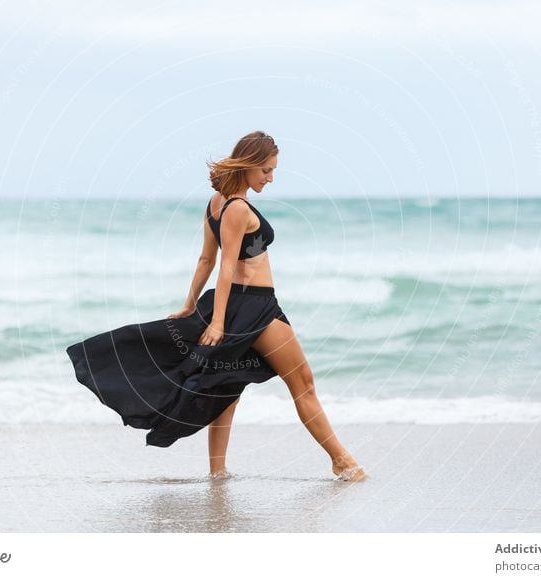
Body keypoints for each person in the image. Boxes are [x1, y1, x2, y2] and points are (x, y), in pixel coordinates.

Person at [66, 130, 365, 482]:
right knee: (304, 383)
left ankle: (218, 472)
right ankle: (341, 461)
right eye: (266, 170)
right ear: (250, 164)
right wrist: (217, 321)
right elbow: (223, 267)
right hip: (255, 307)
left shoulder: (215, 202)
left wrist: (190, 305)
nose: (271, 178)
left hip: (245, 305)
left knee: (227, 387)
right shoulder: (237, 208)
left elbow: (205, 259)